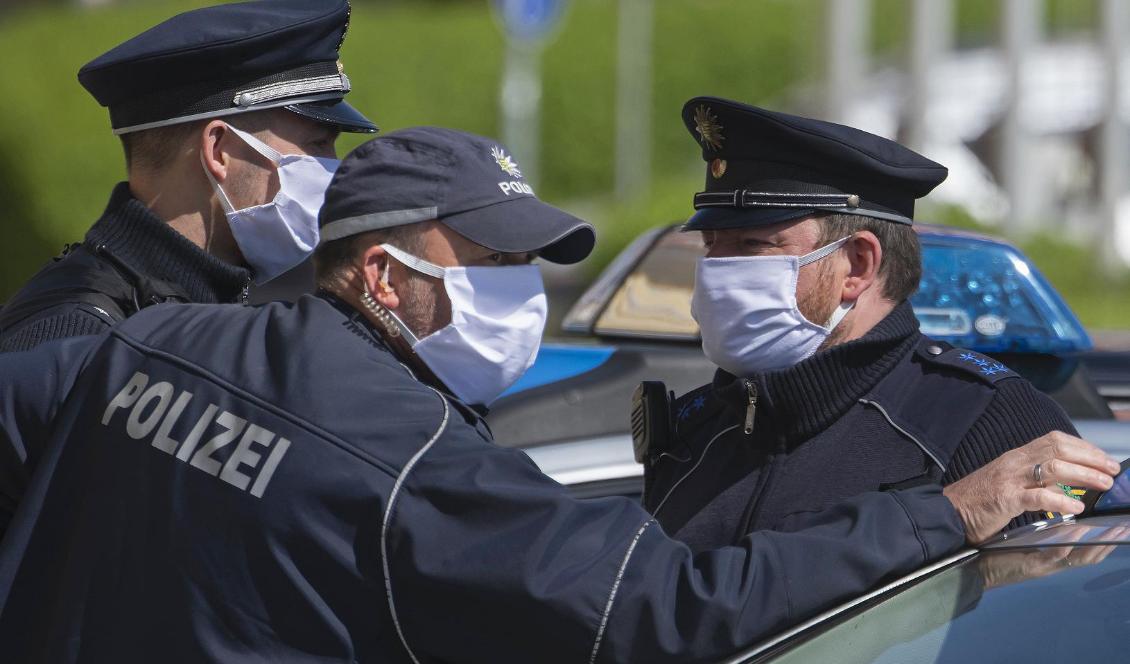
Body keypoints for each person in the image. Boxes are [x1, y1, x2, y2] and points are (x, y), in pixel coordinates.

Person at [0, 127, 1116, 663]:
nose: (520, 294)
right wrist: (936, 517)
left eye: (748, 243)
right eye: (491, 261)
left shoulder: (151, 342)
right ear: (383, 277)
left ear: (860, 266)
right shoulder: (406, 459)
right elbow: (662, 611)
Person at [637, 96, 1087, 552]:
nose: (717, 271)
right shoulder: (701, 426)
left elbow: (1041, 612)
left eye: (753, 245)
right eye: (711, 244)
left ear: (856, 265)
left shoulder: (989, 421)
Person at [0, 0, 376, 353]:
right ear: (219, 151)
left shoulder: (219, 304)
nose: (332, 167)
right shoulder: (72, 341)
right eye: (317, 146)